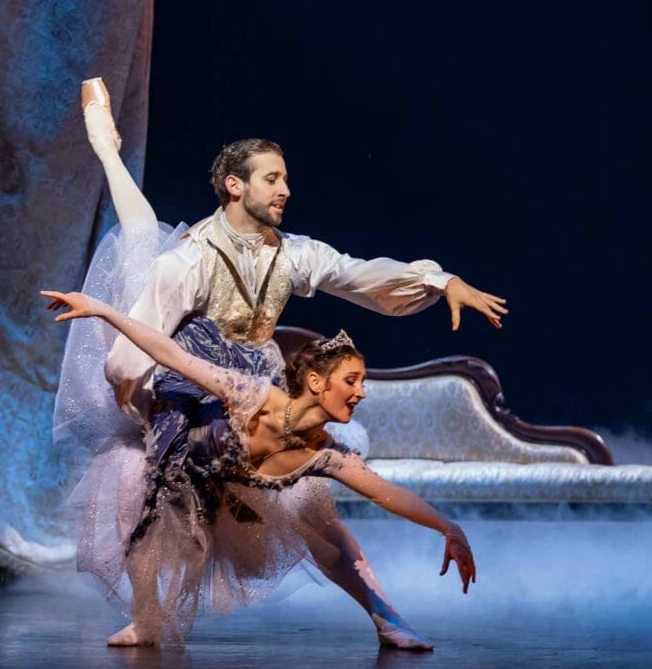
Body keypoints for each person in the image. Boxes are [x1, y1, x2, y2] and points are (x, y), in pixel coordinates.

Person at [50, 79, 501, 648]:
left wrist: (440, 281)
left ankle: (387, 616)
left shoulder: (294, 255)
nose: (286, 188)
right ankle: (105, 143)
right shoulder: (189, 261)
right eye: (273, 178)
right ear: (234, 186)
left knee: (311, 508)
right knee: (142, 244)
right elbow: (142, 351)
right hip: (183, 377)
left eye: (286, 177)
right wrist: (142, 409)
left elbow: (359, 274)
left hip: (244, 388)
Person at [42, 287, 476, 649]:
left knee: (321, 521)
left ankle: (388, 619)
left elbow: (386, 493)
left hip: (227, 495)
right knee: (131, 481)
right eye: (352, 381)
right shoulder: (253, 396)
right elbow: (171, 355)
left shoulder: (325, 453)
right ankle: (147, 619)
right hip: (175, 460)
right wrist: (101, 310)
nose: (361, 392)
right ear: (316, 383)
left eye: (362, 382)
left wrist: (448, 527)